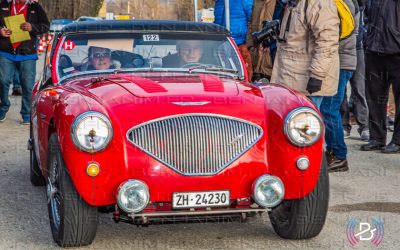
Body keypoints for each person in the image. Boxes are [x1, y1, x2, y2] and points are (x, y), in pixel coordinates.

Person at [270, 0, 340, 108]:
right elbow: (295, 38)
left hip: (306, 81)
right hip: (292, 76)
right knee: (291, 121)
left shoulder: (319, 3)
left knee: (305, 121)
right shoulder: (294, 3)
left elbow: (327, 42)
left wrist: (317, 75)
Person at [320, 0, 358, 172]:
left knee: (329, 109)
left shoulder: (341, 4)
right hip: (340, 61)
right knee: (329, 108)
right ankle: (333, 152)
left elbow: (335, 36)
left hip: (340, 62)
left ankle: (339, 155)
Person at [0, 0, 49, 124]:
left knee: (27, 86)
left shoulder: (34, 6)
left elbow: (46, 26)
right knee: (3, 81)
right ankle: (4, 106)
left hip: (27, 54)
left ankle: (26, 113)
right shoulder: (4, 4)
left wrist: (32, 27)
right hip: (6, 52)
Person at [361, 0, 400, 153]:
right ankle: (376, 138)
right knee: (374, 99)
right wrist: (367, 38)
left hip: (396, 54)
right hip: (374, 51)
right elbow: (365, 15)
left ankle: (398, 140)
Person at [340, 0, 369, 141]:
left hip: (358, 49)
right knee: (341, 91)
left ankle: (364, 126)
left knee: (359, 89)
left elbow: (368, 21)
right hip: (340, 49)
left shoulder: (361, 4)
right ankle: (345, 125)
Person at [214, 0, 254, 81]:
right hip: (222, 44)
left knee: (243, 74)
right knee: (223, 74)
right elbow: (217, 21)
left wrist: (247, 42)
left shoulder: (245, 1)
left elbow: (252, 20)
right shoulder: (219, 2)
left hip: (240, 44)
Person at [246, 0, 277, 81]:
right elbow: (250, 24)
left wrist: (273, 48)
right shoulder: (256, 1)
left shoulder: (279, 3)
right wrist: (250, 46)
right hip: (255, 57)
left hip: (270, 61)